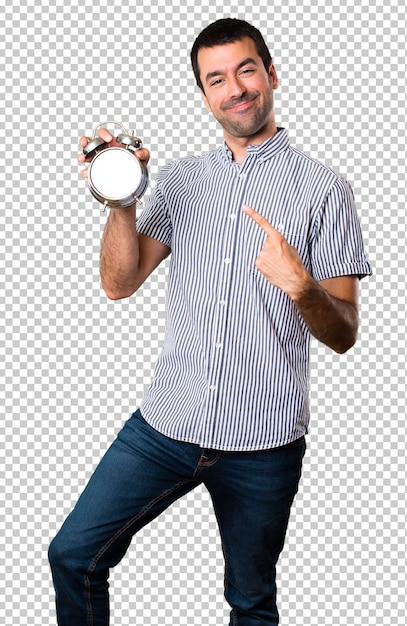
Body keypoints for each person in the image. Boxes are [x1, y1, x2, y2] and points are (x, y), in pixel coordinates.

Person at [49, 18, 371, 625]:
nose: (236, 88)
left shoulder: (325, 187)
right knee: (73, 554)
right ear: (204, 95)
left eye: (247, 70)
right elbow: (118, 284)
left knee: (251, 604)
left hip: (265, 444)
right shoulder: (180, 180)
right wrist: (122, 200)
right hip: (167, 424)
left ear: (271, 75)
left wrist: (302, 286)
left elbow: (346, 334)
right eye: (216, 79)